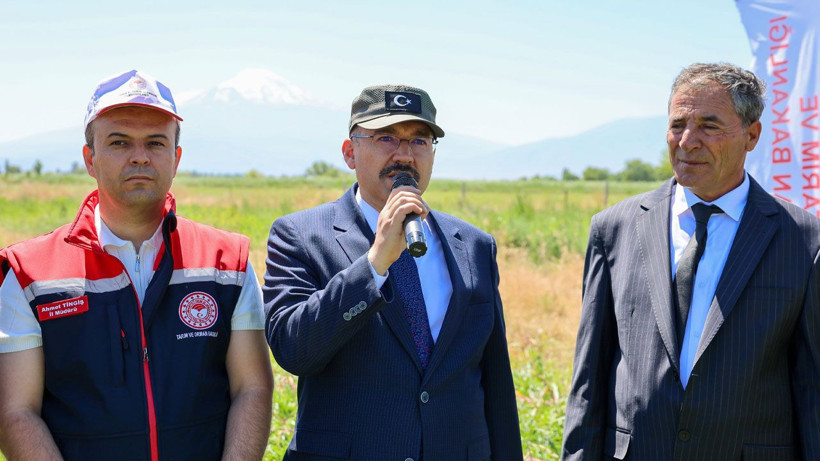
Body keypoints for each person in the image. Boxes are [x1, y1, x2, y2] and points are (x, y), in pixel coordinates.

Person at [0, 70, 273, 461]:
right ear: (89, 159)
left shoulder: (227, 262)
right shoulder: (29, 273)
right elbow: (16, 412)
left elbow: (252, 389)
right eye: (119, 141)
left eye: (156, 142)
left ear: (175, 159)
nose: (140, 155)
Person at [562, 62, 820, 460]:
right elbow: (589, 380)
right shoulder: (614, 228)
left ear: (752, 135)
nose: (687, 141)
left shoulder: (802, 240)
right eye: (677, 124)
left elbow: (812, 388)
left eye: (709, 126)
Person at [263, 84, 523, 460]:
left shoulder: (473, 245)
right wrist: (374, 265)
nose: (404, 155)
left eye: (420, 141)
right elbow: (294, 350)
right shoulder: (301, 236)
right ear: (350, 152)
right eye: (386, 137)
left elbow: (495, 380)